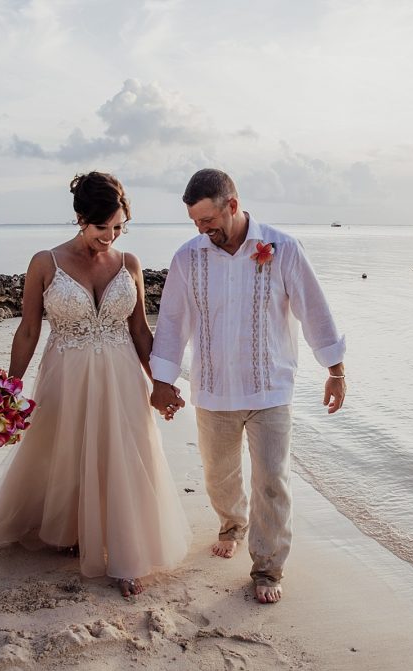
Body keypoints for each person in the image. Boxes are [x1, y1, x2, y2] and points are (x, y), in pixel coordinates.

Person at [0, 171, 190, 597]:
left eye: (118, 228)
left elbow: (140, 332)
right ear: (80, 218)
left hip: (122, 376)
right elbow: (28, 330)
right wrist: (9, 390)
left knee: (123, 454)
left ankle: (126, 554)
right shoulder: (46, 263)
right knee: (67, 450)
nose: (110, 237)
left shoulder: (129, 264)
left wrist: (161, 383)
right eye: (101, 228)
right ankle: (70, 530)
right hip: (66, 373)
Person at [149, 168, 346, 604]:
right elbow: (172, 322)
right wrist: (162, 382)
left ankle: (267, 567)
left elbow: (315, 310)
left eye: (207, 221)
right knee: (219, 475)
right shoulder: (188, 257)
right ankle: (232, 524)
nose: (202, 230)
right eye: (195, 223)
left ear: (232, 206)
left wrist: (335, 369)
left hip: (270, 390)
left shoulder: (283, 249)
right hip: (214, 389)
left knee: (272, 480)